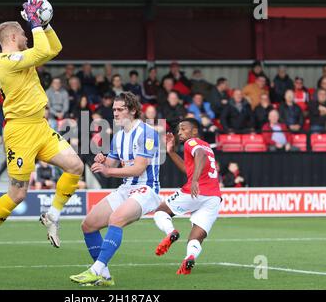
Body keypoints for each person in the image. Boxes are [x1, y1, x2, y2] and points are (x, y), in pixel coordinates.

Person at [0, 0, 84, 269]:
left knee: (75, 166)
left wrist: (44, 25)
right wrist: (36, 24)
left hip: (40, 126)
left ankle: (53, 215)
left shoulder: (21, 59)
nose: (27, 35)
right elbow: (38, 53)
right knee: (17, 194)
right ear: (13, 37)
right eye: (24, 33)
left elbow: (53, 48)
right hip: (20, 131)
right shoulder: (7, 62)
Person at [69, 92, 160, 286]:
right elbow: (111, 162)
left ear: (133, 110)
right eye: (114, 110)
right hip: (127, 188)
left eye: (120, 109)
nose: (116, 113)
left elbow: (139, 167)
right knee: (88, 225)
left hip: (147, 189)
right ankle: (105, 276)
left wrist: (108, 171)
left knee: (116, 219)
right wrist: (102, 161)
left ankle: (95, 270)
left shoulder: (147, 132)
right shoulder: (119, 136)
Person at [152, 118, 221, 275]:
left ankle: (171, 232)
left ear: (194, 131)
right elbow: (189, 169)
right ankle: (189, 257)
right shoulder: (206, 145)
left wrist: (195, 180)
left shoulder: (192, 143)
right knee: (196, 237)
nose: (179, 132)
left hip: (196, 191)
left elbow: (200, 155)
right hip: (214, 197)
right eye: (178, 130)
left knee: (161, 211)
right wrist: (171, 152)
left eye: (183, 129)